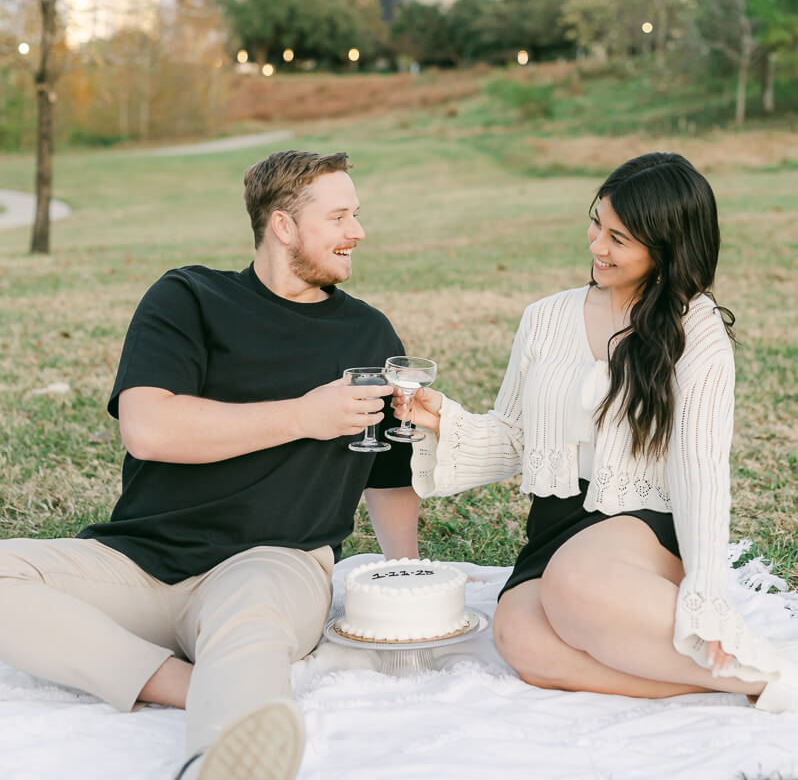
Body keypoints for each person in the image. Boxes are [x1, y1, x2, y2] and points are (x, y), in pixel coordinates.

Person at [0, 150, 420, 780]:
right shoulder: (188, 297)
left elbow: (388, 473)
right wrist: (303, 416)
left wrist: (407, 576)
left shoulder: (368, 334)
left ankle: (221, 761)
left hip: (273, 561)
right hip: (140, 561)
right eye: (339, 217)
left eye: (355, 215)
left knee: (249, 616)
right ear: (282, 225)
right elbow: (149, 429)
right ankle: (188, 683)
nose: (357, 232)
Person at [402, 152, 798, 711]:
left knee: (578, 583)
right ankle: (728, 684)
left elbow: (700, 469)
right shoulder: (545, 317)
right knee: (520, 637)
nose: (596, 246)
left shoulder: (695, 329)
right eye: (596, 223)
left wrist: (707, 591)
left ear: (666, 249)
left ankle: (762, 669)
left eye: (619, 238)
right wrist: (442, 419)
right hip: (555, 521)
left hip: (642, 523)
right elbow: (517, 439)